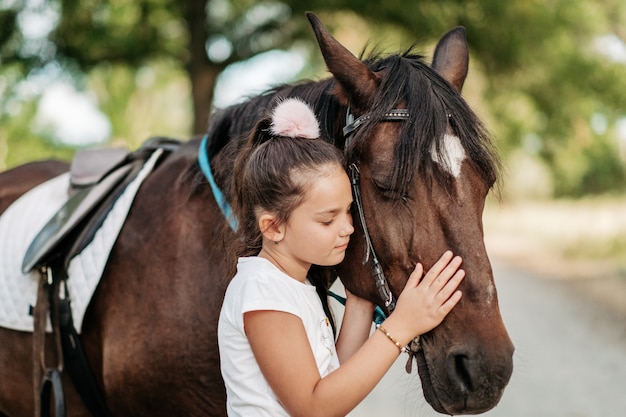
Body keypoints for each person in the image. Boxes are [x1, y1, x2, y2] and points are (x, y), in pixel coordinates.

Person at [217, 98, 465, 417]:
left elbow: (333, 379)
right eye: (327, 219)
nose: (348, 227)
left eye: (348, 211)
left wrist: (360, 302)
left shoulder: (289, 283)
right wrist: (402, 325)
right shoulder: (264, 292)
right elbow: (314, 407)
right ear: (273, 226)